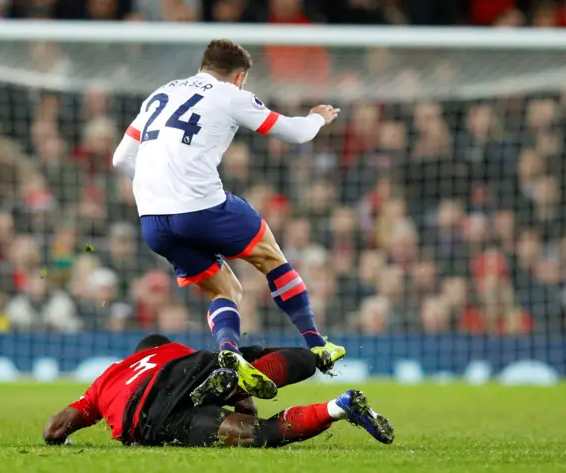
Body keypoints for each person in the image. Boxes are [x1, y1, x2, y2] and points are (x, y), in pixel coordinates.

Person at [111, 39, 345, 398]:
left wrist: (160, 189)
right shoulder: (229, 94)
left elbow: (121, 159)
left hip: (154, 219)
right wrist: (319, 116)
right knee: (269, 256)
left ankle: (229, 356)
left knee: (227, 290)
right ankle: (317, 344)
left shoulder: (160, 94)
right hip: (202, 206)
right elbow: (297, 133)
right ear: (239, 77)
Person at [43, 334, 394, 448]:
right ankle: (320, 365)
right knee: (250, 360)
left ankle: (337, 408)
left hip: (152, 414)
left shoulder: (107, 379)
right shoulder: (174, 350)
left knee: (260, 435)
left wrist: (62, 440)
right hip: (191, 366)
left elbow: (55, 427)